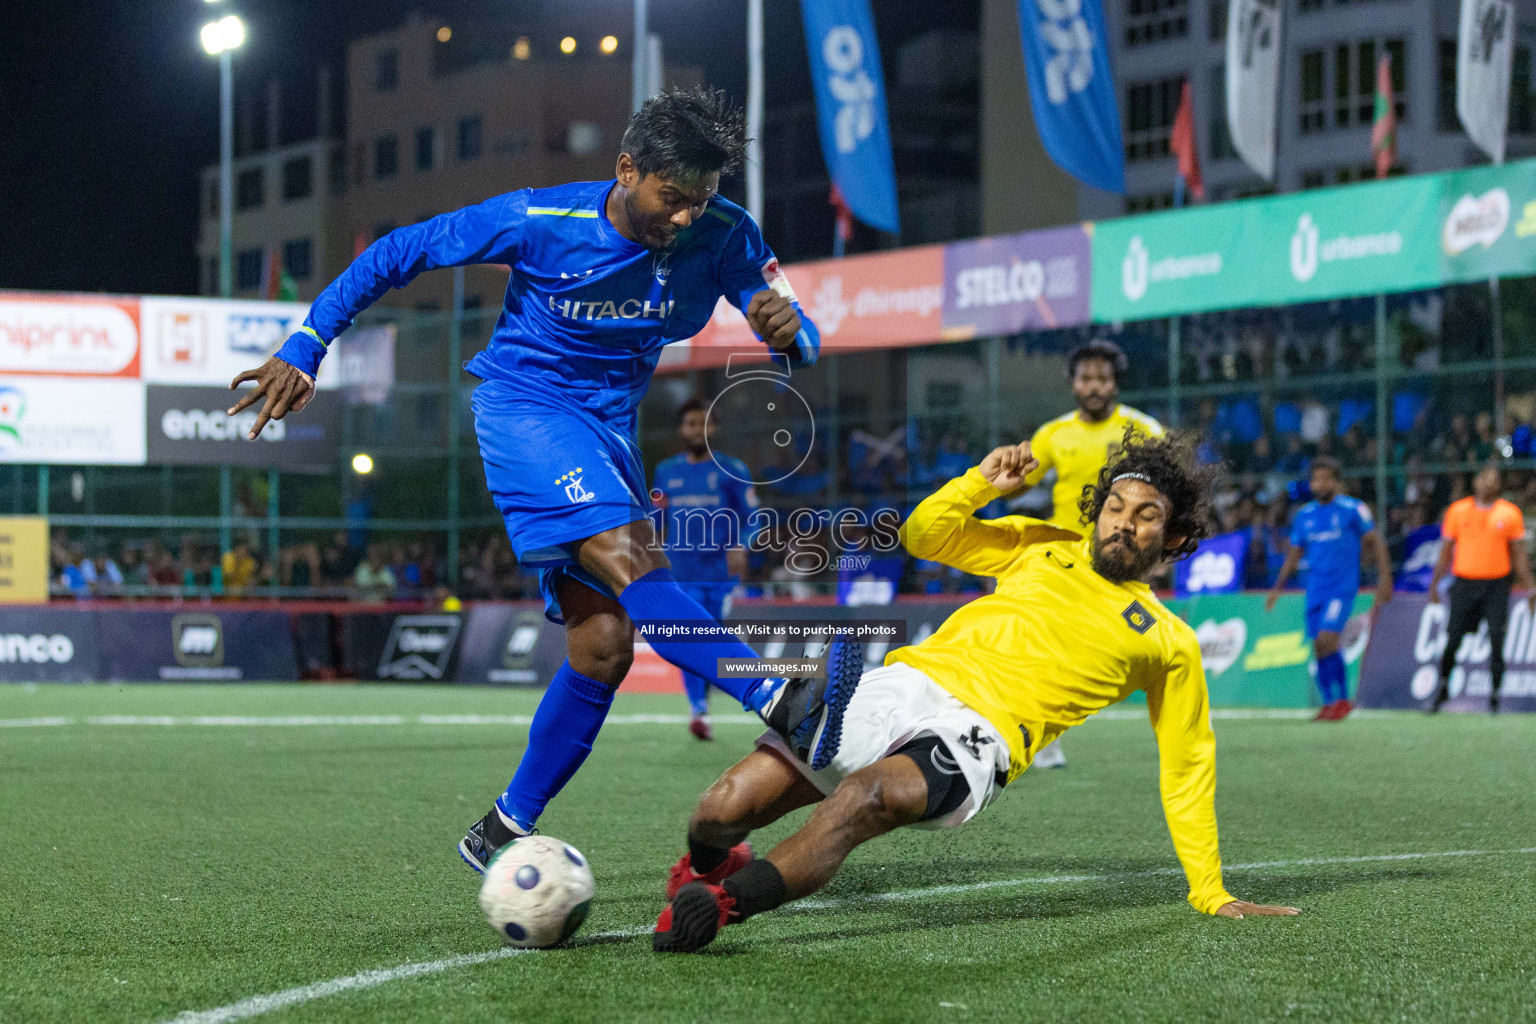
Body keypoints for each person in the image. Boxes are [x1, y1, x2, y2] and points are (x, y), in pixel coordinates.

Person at [224, 87, 853, 871]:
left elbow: (805, 338)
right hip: (526, 410)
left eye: (701, 199)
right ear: (627, 169)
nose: (687, 216)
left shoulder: (728, 232)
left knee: (603, 646)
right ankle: (779, 698)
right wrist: (307, 344)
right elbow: (397, 252)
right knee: (633, 561)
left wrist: (791, 336)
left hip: (609, 433)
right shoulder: (540, 220)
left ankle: (501, 828)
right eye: (672, 196)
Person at [653, 431, 1299, 953]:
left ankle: (722, 906)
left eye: (1146, 515)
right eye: (1115, 508)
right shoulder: (1042, 546)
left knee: (864, 796)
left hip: (982, 735)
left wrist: (1210, 890)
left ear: (1177, 537)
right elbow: (923, 536)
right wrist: (980, 483)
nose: (1122, 524)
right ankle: (707, 867)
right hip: (908, 682)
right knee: (720, 808)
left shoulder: (1169, 641)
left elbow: (1187, 767)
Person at [1018, 339, 1164, 768]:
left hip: (1123, 557)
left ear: (1114, 383)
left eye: (1102, 378)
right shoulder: (1053, 434)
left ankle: (1170, 727)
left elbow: (1167, 489)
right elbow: (1018, 482)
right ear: (1073, 385)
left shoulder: (1144, 429)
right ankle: (1044, 738)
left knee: (1146, 646)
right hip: (1064, 560)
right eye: (1086, 378)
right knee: (1048, 647)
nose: (1094, 386)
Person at [651, 397, 759, 741]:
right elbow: (655, 520)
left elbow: (753, 518)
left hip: (720, 574)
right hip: (681, 570)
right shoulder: (666, 472)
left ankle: (720, 699)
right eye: (692, 424)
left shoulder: (734, 470)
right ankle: (698, 707)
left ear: (714, 429)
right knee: (691, 635)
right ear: (682, 429)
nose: (699, 430)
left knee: (712, 637)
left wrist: (742, 544)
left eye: (705, 424)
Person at [1265, 458, 1392, 721]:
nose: (1318, 484)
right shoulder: (1305, 515)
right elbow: (1294, 553)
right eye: (1315, 479)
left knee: (1328, 638)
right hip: (1315, 588)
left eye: (1325, 479)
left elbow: (1375, 542)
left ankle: (1344, 700)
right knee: (1318, 646)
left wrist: (1384, 577)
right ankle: (1329, 703)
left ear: (1336, 481)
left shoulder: (1352, 509)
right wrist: (1278, 587)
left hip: (1342, 587)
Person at [1427, 463, 1536, 713]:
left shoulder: (1509, 514)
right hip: (1464, 583)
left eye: (1493, 478)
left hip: (1497, 585)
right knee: (1453, 637)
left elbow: (1519, 556)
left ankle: (1495, 696)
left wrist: (1530, 588)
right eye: (1484, 477)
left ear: (1499, 484)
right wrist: (1434, 585)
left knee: (1498, 638)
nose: (1488, 482)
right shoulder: (1458, 511)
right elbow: (1445, 552)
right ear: (1475, 481)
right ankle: (1443, 688)